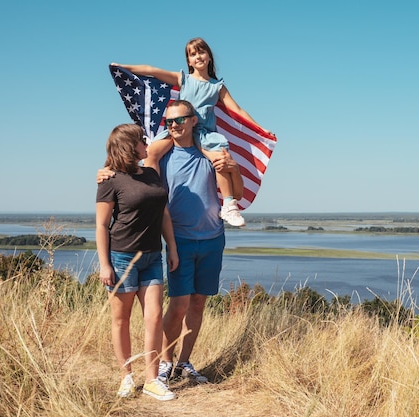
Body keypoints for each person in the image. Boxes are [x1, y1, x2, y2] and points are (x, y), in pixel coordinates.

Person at [98, 99, 242, 386]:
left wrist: (234, 168)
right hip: (180, 240)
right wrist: (103, 172)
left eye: (179, 120)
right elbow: (125, 168)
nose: (173, 126)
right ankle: (164, 362)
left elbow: (235, 191)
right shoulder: (159, 158)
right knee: (177, 306)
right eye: (168, 122)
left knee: (198, 303)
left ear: (193, 121)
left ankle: (184, 363)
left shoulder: (211, 153)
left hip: (213, 238)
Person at [113, 37, 273, 228]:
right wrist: (124, 67)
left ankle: (229, 205)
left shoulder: (217, 86)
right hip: (178, 128)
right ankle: (154, 194)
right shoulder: (184, 79)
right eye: (193, 54)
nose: (198, 56)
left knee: (219, 160)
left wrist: (260, 128)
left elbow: (237, 110)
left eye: (201, 52)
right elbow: (152, 71)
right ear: (188, 61)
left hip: (203, 131)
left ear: (209, 57)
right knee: (153, 151)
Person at [96, 123, 179, 401]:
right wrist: (105, 264)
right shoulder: (109, 180)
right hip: (121, 258)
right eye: (142, 141)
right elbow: (101, 225)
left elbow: (164, 214)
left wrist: (172, 248)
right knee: (121, 320)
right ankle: (126, 377)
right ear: (130, 146)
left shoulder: (152, 174)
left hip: (153, 256)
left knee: (154, 317)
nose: (147, 144)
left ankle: (153, 380)